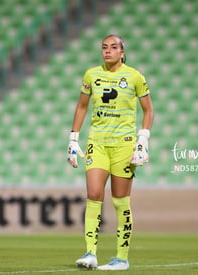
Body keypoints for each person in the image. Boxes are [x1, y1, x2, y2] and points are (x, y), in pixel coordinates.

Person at [67, 34, 154, 270]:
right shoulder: (91, 75)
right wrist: (73, 139)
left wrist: (142, 140)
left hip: (124, 144)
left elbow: (148, 111)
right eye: (104, 47)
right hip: (98, 142)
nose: (108, 51)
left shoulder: (135, 76)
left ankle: (122, 259)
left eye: (113, 47)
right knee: (94, 194)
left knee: (120, 200)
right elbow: (82, 105)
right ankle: (90, 253)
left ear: (122, 52)